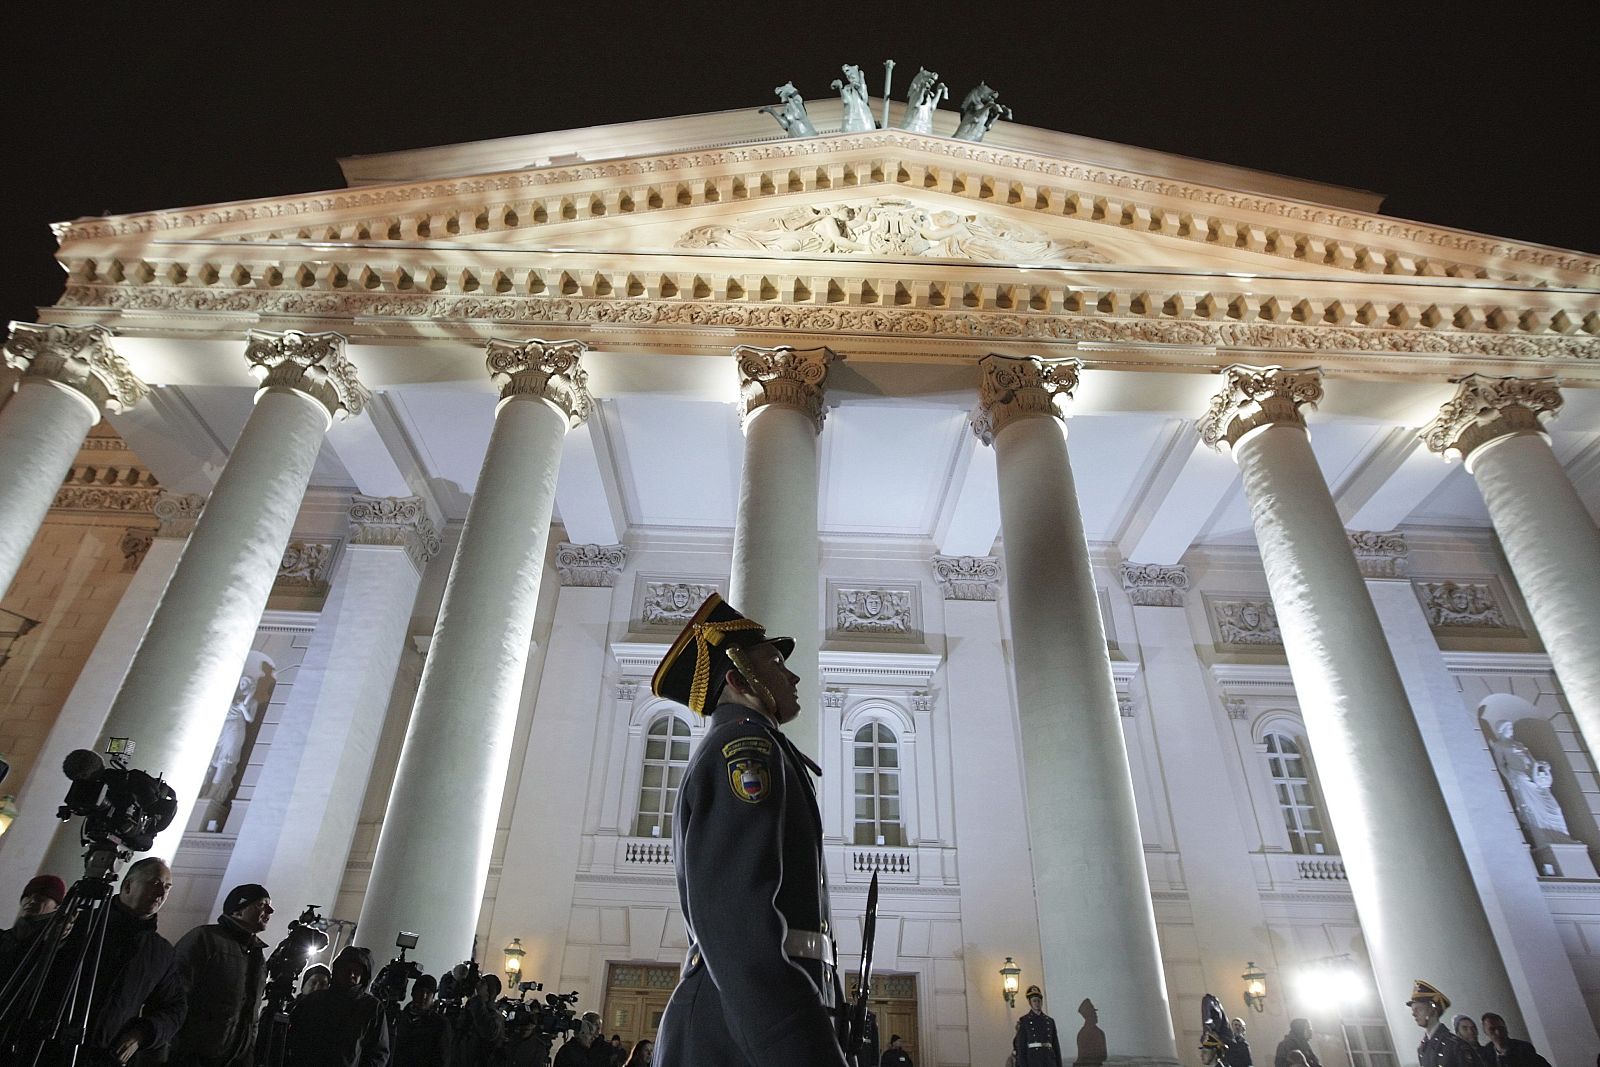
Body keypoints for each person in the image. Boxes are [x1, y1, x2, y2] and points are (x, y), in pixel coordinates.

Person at [648, 594, 849, 1067]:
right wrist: (798, 1045)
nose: (794, 676)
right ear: (740, 678)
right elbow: (739, 916)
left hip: (746, 1015)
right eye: (777, 662)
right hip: (743, 1024)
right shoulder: (745, 744)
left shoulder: (757, 743)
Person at [168, 882, 272, 1067]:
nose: (270, 911)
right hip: (191, 1058)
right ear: (238, 910)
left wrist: (247, 1055)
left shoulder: (257, 954)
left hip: (235, 1061)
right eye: (261, 905)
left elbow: (251, 1013)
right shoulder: (204, 939)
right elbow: (174, 995)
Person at [285, 945, 390, 1067]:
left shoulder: (372, 1008)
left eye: (356, 971)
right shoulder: (315, 1000)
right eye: (347, 969)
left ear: (364, 976)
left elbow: (378, 1053)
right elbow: (292, 1037)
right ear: (338, 970)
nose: (351, 975)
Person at [0, 873, 65, 969]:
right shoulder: (5, 937)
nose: (32, 901)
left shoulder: (56, 942)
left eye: (41, 897)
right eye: (28, 896)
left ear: (57, 906)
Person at [392, 974, 451, 1067]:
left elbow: (442, 1059)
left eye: (428, 993)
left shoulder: (440, 1024)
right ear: (413, 993)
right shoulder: (398, 1018)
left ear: (433, 997)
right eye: (421, 991)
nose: (424, 996)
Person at [1408, 980, 1467, 1067]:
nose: (1413, 1014)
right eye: (1413, 1010)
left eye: (1418, 1009)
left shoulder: (1455, 1044)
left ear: (1433, 1009)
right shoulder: (1422, 1048)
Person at [453, 974, 506, 1067]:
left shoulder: (496, 1016)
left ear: (489, 992)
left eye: (483, 984)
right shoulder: (470, 1008)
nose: (478, 986)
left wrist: (476, 1000)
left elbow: (487, 1030)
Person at [1013, 985, 1063, 1067]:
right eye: (1034, 1001)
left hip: (1049, 1060)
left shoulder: (1049, 1021)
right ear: (1030, 1003)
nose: (1037, 1003)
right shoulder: (1025, 1021)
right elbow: (1021, 1048)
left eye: (1039, 1001)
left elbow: (1056, 1046)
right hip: (1033, 1061)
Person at [1480, 1012, 1552, 1067]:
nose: (1498, 1032)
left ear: (1506, 1028)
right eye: (1492, 1029)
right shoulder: (1486, 1053)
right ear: (1485, 1032)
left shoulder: (1523, 1048)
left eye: (1501, 1028)